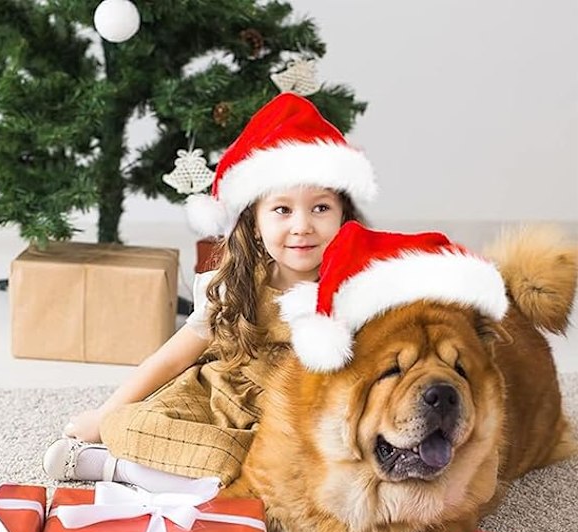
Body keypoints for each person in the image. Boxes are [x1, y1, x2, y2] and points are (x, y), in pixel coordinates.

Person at [43, 91, 379, 491]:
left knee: (279, 474)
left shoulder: (357, 293)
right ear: (254, 223)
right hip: (212, 397)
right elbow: (168, 360)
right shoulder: (237, 283)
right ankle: (120, 463)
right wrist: (103, 416)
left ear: (343, 216)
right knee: (130, 423)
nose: (302, 226)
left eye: (320, 208)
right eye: (282, 210)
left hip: (280, 423)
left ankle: (121, 470)